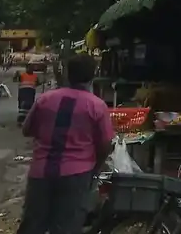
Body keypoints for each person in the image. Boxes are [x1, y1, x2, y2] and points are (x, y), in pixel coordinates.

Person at [17, 54, 114, 234]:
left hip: (41, 172)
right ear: (93, 76)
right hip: (77, 175)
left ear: (68, 74)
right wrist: (96, 166)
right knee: (66, 227)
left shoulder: (45, 99)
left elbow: (27, 130)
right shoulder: (97, 106)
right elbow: (105, 144)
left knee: (32, 225)